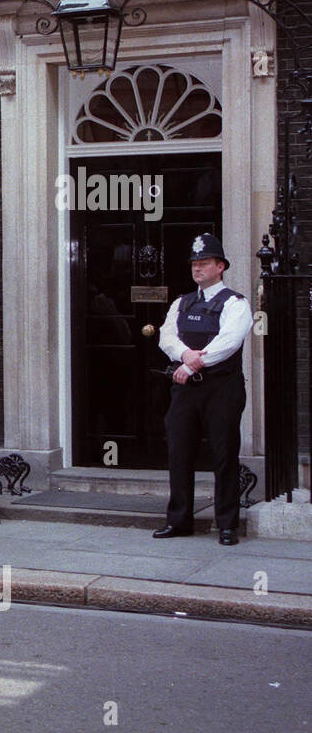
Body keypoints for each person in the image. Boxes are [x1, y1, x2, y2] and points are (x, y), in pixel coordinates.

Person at [154, 233, 253, 546]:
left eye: (204, 263)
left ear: (220, 266)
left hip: (221, 388)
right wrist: (184, 356)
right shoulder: (182, 302)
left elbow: (229, 341)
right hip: (186, 389)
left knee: (224, 455)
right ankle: (179, 520)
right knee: (179, 452)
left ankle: (227, 524)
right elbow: (166, 337)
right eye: (194, 263)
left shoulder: (235, 303)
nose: (197, 269)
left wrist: (192, 364)